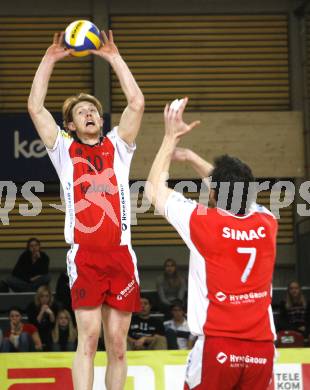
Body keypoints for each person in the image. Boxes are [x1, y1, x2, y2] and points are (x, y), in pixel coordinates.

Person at [28, 29, 144, 390]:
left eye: (93, 109)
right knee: (89, 339)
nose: (90, 113)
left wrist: (113, 58)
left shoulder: (118, 146)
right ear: (71, 125)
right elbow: (35, 107)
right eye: (82, 112)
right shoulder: (63, 149)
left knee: (119, 345)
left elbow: (137, 103)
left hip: (121, 255)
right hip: (85, 256)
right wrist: (48, 60)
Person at [146, 97, 278, 390]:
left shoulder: (203, 222)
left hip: (218, 345)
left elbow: (154, 190)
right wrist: (192, 157)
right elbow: (233, 192)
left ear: (215, 192)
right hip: (262, 348)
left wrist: (170, 139)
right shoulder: (267, 222)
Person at [26, 285, 58, 350]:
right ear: (38, 297)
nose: (44, 298)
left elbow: (53, 324)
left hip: (49, 333)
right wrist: (42, 312)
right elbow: (34, 324)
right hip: (36, 333)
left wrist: (51, 314)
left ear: (50, 297)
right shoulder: (32, 306)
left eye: (47, 296)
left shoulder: (54, 306)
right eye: (42, 296)